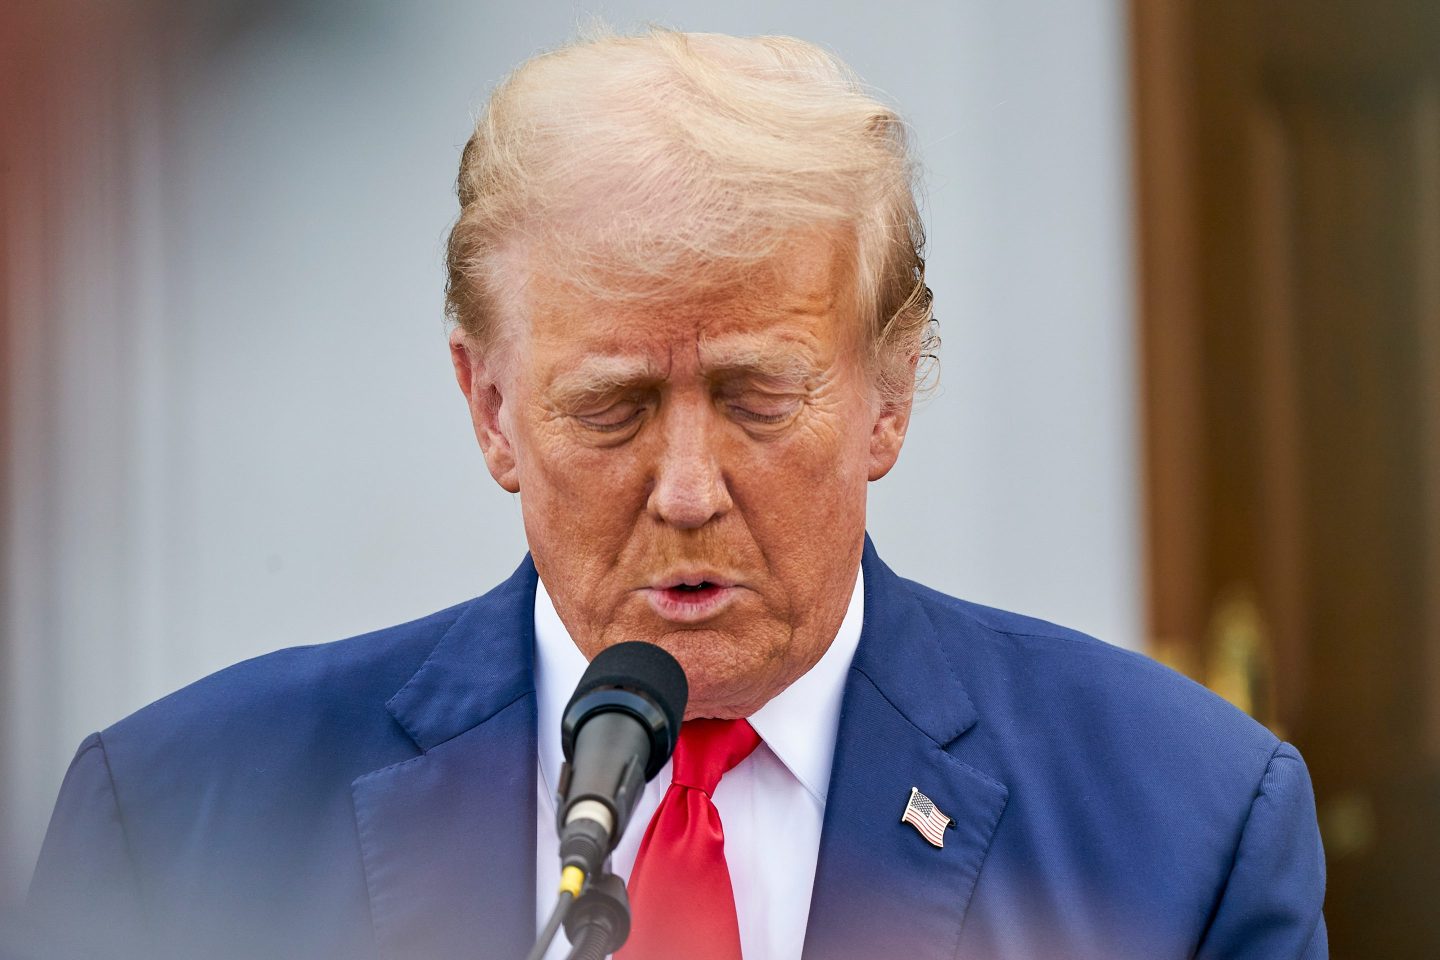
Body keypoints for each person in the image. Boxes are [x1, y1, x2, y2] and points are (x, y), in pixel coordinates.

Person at [18, 27, 1326, 960]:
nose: (689, 490)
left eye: (759, 398)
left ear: (892, 391)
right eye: (614, 407)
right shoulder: (184, 820)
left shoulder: (1186, 824)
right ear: (489, 408)